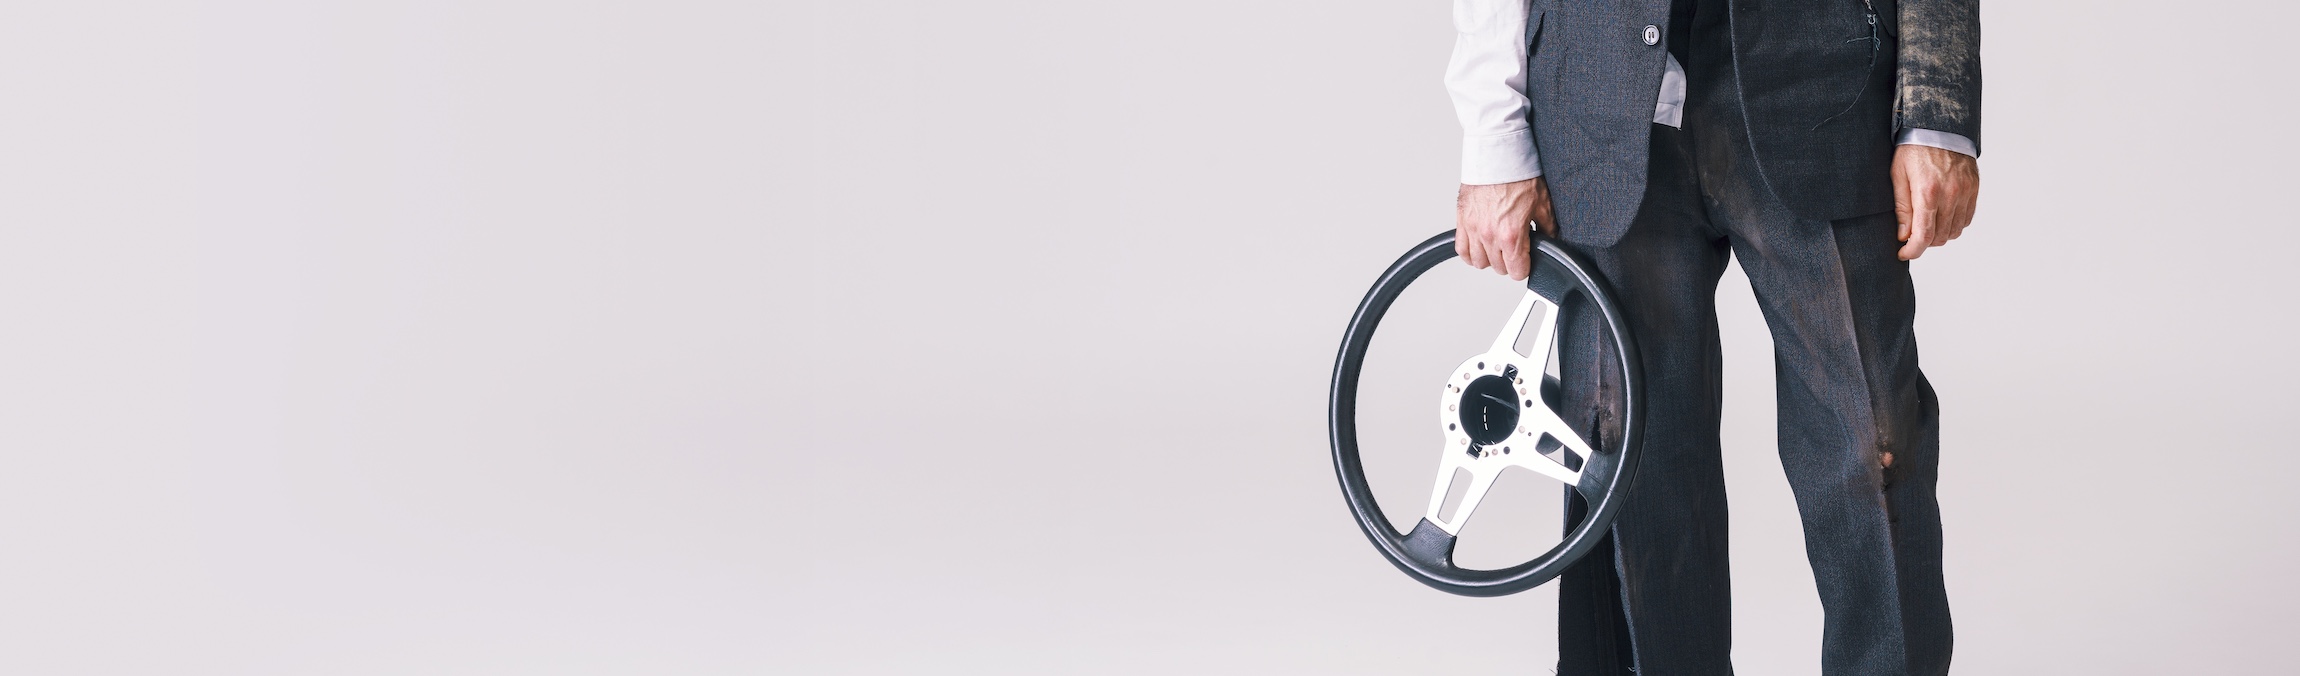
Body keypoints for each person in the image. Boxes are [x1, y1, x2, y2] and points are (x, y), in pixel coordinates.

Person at [1445, 0, 1978, 673]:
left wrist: (1937, 107)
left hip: (1823, 77)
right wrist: (1493, 133)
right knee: (1633, 466)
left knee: (1872, 444)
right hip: (1594, 92)